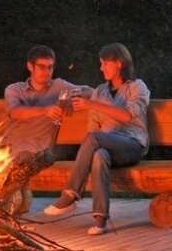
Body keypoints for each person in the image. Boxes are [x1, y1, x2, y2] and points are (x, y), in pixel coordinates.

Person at [43, 43, 150, 235]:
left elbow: (128, 116)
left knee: (95, 140)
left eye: (105, 63)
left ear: (119, 63)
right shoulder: (100, 91)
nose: (101, 68)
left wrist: (92, 104)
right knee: (99, 155)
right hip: (106, 145)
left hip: (132, 145)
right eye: (100, 64)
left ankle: (71, 194)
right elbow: (93, 129)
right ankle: (100, 220)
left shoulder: (137, 86)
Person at [0, 45, 91, 214]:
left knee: (18, 165)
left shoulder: (59, 86)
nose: (47, 71)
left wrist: (73, 96)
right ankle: (7, 202)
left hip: (40, 152)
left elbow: (90, 91)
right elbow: (15, 112)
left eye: (50, 67)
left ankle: (2, 207)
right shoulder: (14, 89)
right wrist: (45, 110)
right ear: (30, 66)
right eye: (42, 67)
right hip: (10, 149)